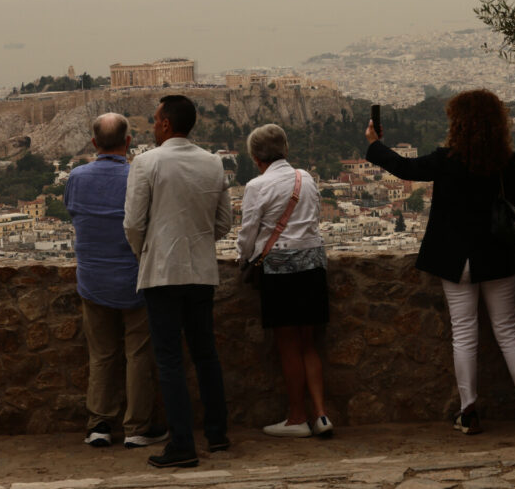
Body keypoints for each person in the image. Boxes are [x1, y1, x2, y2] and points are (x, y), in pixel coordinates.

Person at [365, 89, 515, 434]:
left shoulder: (445, 159)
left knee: (464, 334)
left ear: (458, 123)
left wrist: (375, 144)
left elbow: (405, 168)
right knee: (508, 330)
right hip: (494, 253)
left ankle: (469, 411)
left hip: (454, 256)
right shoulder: (508, 160)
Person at [124, 95, 233, 469]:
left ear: (166, 124)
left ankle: (182, 444)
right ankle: (217, 434)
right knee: (206, 353)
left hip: (162, 273)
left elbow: (133, 223)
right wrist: (197, 242)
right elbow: (223, 223)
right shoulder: (213, 163)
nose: (153, 125)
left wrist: (147, 253)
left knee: (169, 359)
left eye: (155, 120)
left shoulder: (146, 163)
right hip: (201, 271)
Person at [64, 113, 168, 449]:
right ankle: (137, 427)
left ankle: (99, 424)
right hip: (134, 279)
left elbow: (72, 211)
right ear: (128, 142)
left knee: (102, 355)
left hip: (92, 280)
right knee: (138, 354)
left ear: (94, 144)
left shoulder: (76, 178)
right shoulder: (139, 177)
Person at [237, 124, 332, 438]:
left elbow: (248, 234)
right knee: (309, 343)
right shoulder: (306, 178)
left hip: (280, 267)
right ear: (285, 150)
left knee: (288, 344)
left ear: (255, 157)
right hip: (314, 263)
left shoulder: (257, 185)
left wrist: (243, 259)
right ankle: (321, 414)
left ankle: (296, 417)